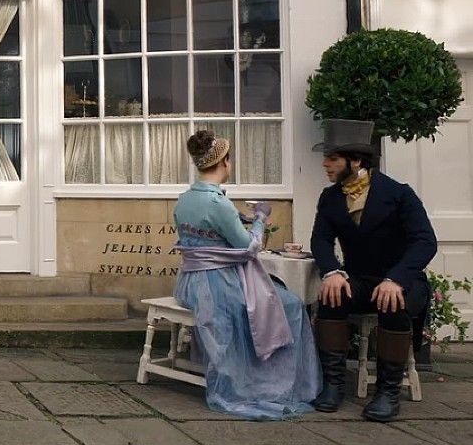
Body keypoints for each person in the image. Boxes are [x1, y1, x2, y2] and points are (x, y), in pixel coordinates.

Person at [172, 130, 319, 420]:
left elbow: (208, 235)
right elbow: (250, 247)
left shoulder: (185, 198)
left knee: (274, 300)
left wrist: (242, 219)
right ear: (224, 162)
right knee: (290, 305)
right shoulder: (218, 203)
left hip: (190, 281)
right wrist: (262, 217)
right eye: (230, 159)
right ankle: (276, 383)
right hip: (217, 284)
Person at [310, 119, 436, 422]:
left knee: (393, 301)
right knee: (330, 297)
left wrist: (396, 278)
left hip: (404, 282)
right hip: (360, 281)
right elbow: (321, 240)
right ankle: (334, 386)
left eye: (333, 158)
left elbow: (425, 242)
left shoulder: (399, 194)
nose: (325, 164)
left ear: (355, 161)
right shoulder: (330, 198)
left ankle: (388, 393)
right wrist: (332, 272)